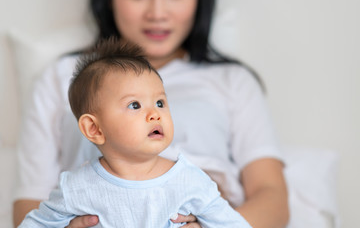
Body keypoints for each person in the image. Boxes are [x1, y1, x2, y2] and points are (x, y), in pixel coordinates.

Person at [13, 0, 289, 227]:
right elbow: (31, 203)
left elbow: (272, 196)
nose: (157, 13)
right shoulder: (62, 77)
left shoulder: (233, 80)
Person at [19, 40, 252, 228]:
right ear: (95, 129)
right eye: (134, 105)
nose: (155, 114)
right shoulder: (76, 188)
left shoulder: (191, 181)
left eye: (160, 102)